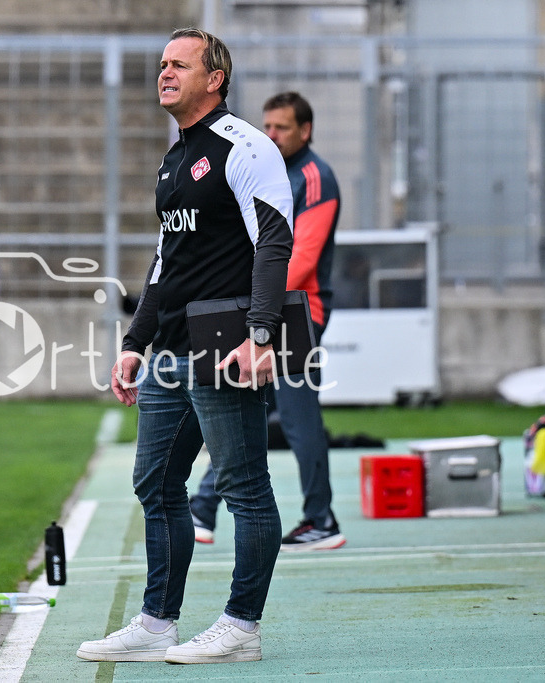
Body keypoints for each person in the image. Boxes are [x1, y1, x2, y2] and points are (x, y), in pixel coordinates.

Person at [76, 27, 293, 665]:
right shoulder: (175, 158)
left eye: (179, 64)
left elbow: (274, 244)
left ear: (214, 77)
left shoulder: (246, 146)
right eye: (162, 64)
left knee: (244, 484)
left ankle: (240, 627)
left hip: (225, 344)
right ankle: (156, 622)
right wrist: (134, 341)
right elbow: (164, 264)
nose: (165, 73)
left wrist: (261, 336)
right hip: (170, 351)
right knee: (155, 482)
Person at [189, 91, 344, 551]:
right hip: (264, 308)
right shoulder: (268, 167)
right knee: (241, 409)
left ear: (305, 131)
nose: (270, 134)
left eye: (281, 128)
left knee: (298, 419)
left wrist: (259, 308)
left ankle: (321, 519)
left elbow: (301, 259)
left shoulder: (316, 178)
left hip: (298, 311)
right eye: (268, 126)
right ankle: (204, 505)